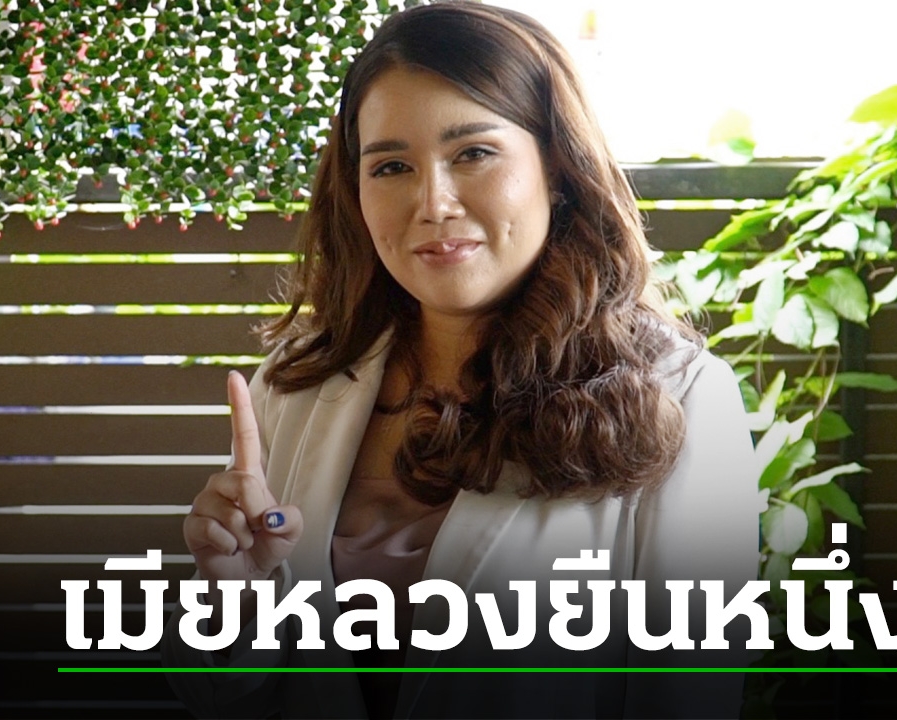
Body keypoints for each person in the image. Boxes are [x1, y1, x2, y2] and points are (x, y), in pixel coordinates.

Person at [162, 3, 759, 718]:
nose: (433, 203)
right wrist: (231, 601)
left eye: (473, 153)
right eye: (391, 166)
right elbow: (231, 699)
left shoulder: (683, 399)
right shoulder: (296, 387)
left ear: (557, 166)